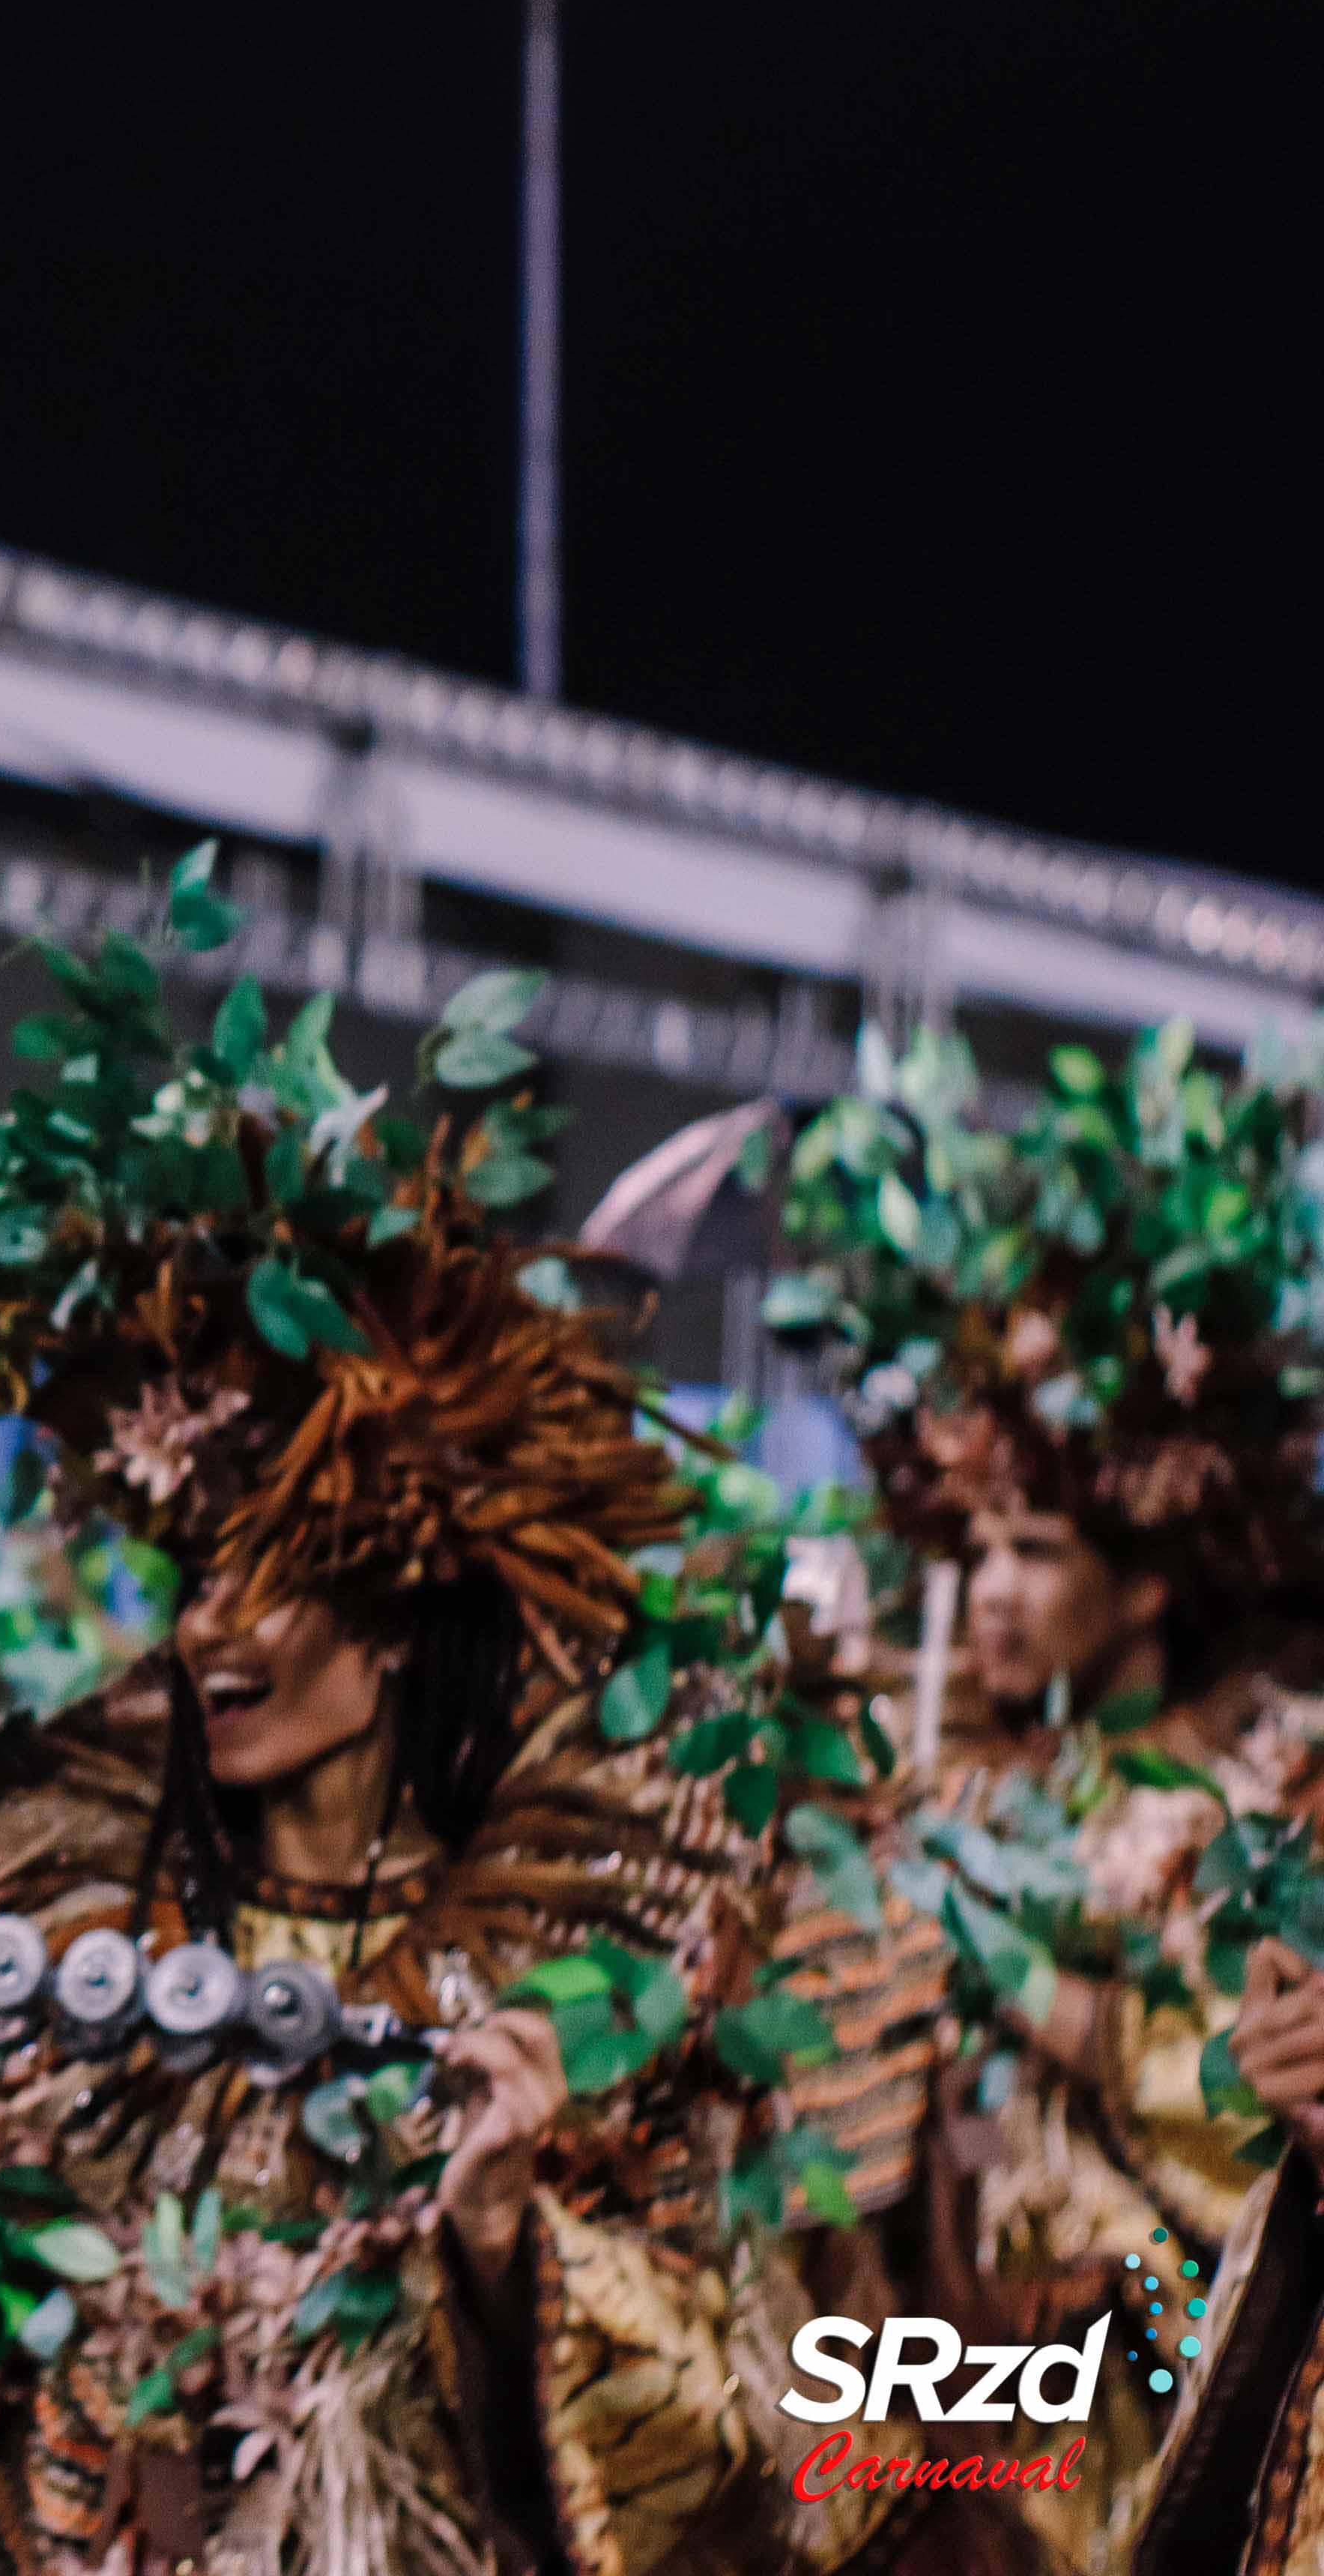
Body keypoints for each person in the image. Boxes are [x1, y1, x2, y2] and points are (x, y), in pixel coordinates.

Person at [0, 896, 773, 2575]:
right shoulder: (37, 1897)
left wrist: (509, 2243)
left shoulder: (582, 1969)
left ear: (398, 1599)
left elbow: (730, 2443)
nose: (207, 1623)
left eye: (269, 1568)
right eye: (191, 1567)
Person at [766, 1026, 1324, 2575]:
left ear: (1147, 1572)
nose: (990, 1591)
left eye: (1034, 1548)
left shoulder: (1272, 1786)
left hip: (1153, 2381)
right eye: (978, 1546)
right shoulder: (963, 1762)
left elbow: (1226, 2085)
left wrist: (996, 1956)